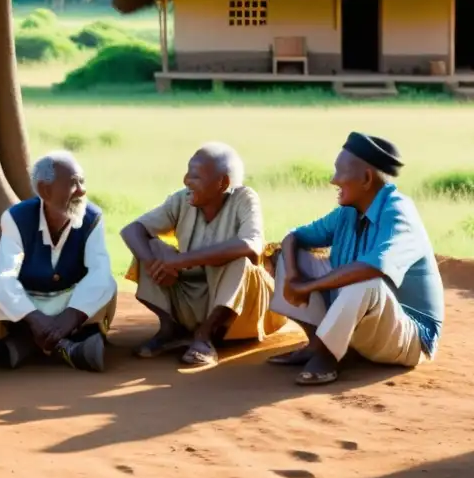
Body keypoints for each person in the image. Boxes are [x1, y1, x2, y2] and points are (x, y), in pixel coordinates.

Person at [268, 132, 445, 386]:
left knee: (365, 280)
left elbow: (373, 268)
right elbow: (293, 237)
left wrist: (307, 286)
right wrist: (294, 276)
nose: (333, 180)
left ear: (366, 178)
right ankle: (319, 344)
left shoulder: (399, 213)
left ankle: (328, 355)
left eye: (340, 171)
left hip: (410, 339)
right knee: (286, 255)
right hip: (366, 326)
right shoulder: (348, 211)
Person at [120, 142, 285, 367]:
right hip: (194, 294)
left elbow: (252, 245)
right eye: (188, 173)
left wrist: (179, 261)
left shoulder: (245, 198)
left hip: (239, 307)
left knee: (240, 260)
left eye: (195, 176)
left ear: (223, 182)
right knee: (150, 248)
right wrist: (155, 264)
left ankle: (204, 337)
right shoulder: (182, 199)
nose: (186, 180)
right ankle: (171, 329)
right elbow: (132, 230)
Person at [0, 151, 116, 373]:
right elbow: (5, 275)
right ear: (45, 190)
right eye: (73, 184)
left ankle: (28, 343)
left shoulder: (93, 217)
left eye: (82, 182)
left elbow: (98, 273)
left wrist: (68, 319)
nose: (82, 191)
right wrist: (37, 320)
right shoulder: (17, 217)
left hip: (71, 301)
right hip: (29, 304)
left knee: (107, 283)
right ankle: (67, 347)